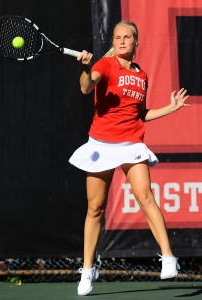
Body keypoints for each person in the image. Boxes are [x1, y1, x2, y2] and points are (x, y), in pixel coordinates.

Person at [69, 20, 190, 296]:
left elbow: (141, 114)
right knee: (95, 209)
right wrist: (87, 69)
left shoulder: (142, 75)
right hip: (101, 143)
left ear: (137, 43)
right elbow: (86, 88)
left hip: (131, 143)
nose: (122, 41)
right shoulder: (104, 64)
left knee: (145, 195)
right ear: (113, 42)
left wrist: (170, 108)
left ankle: (168, 257)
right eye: (117, 37)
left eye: (127, 37)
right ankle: (88, 270)